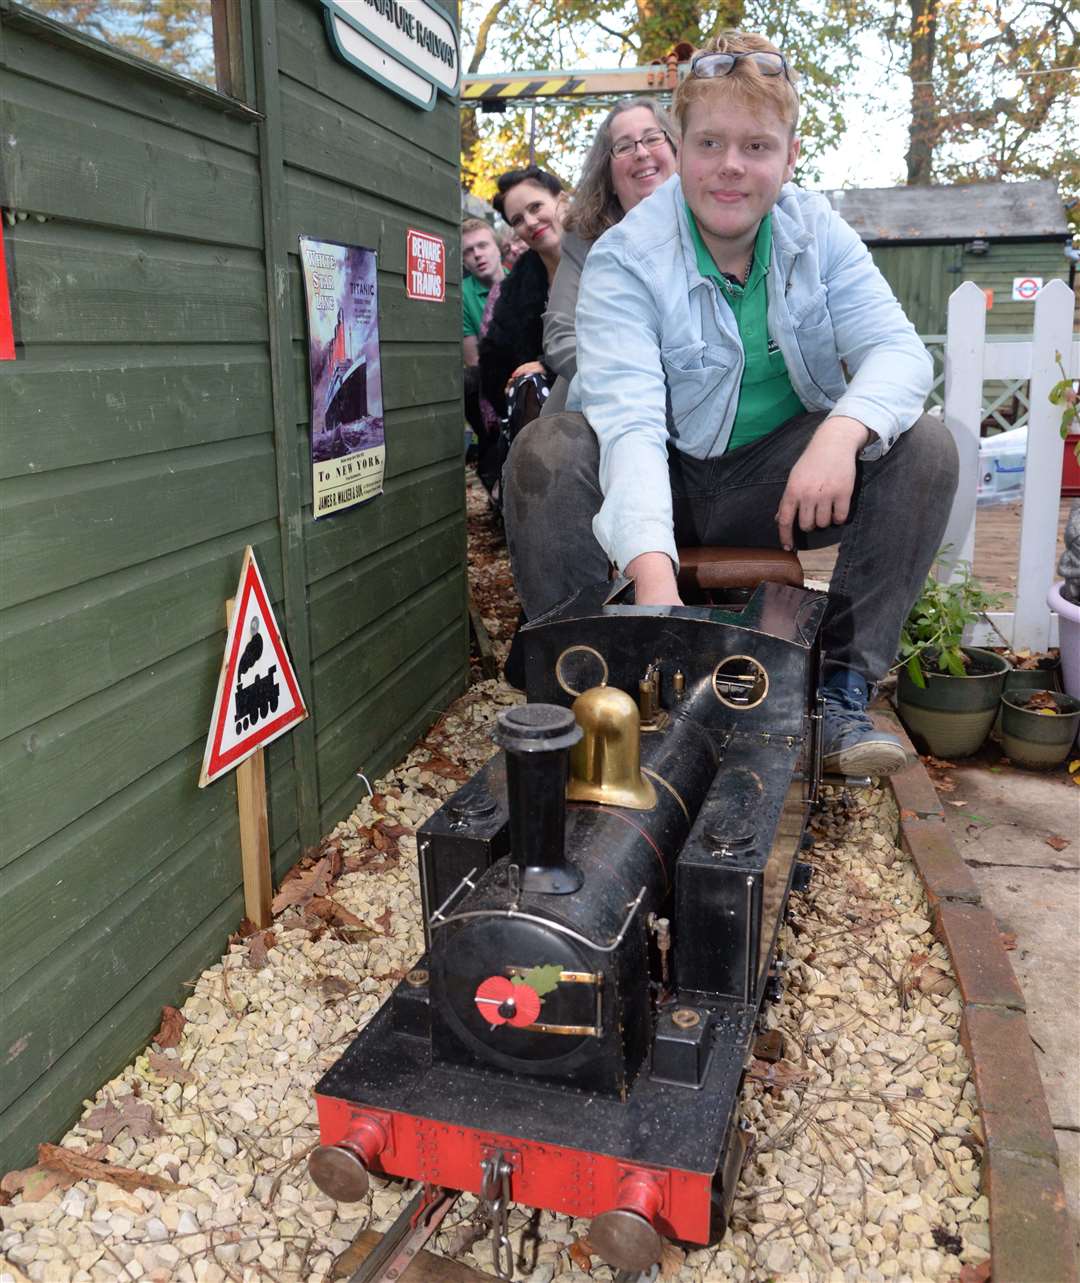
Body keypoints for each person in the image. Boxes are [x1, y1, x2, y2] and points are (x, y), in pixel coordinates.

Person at [503, 32, 959, 777]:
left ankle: (840, 695)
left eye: (757, 145)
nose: (731, 167)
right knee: (547, 448)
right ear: (681, 147)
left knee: (928, 446)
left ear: (790, 152)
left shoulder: (819, 233)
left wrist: (841, 432)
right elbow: (631, 424)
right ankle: (582, 691)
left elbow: (902, 355)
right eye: (709, 142)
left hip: (774, 486)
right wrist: (657, 598)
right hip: (658, 479)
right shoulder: (626, 256)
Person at [543, 98, 678, 414]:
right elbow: (560, 335)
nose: (641, 152)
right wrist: (628, 375)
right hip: (598, 404)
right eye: (624, 146)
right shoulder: (586, 239)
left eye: (652, 138)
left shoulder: (716, 225)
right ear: (609, 174)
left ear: (678, 152)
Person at [476, 166, 567, 491]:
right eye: (517, 219)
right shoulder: (516, 288)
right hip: (541, 408)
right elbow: (493, 361)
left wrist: (547, 363)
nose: (529, 222)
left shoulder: (604, 252)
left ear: (560, 199)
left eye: (536, 207)